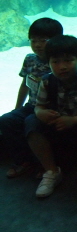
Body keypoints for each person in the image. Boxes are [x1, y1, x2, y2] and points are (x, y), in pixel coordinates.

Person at [25, 36, 77, 197]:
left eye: (68, 60)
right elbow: (39, 106)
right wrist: (40, 113)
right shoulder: (47, 81)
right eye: (56, 62)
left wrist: (74, 120)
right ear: (49, 63)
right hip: (59, 124)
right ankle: (51, 171)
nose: (62, 67)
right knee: (31, 121)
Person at [0, 17, 63, 179]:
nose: (37, 45)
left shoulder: (60, 62)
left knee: (32, 123)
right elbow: (25, 84)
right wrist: (17, 107)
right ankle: (23, 161)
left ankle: (43, 164)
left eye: (43, 40)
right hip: (32, 105)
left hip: (52, 109)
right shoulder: (30, 59)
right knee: (6, 120)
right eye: (33, 40)